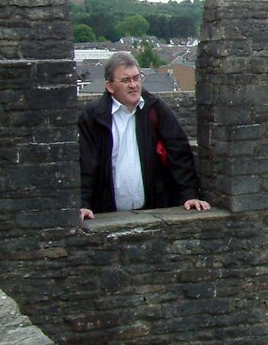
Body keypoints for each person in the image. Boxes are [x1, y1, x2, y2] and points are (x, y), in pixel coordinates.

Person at [79, 52, 210, 220]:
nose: (133, 85)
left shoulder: (155, 109)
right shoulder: (93, 117)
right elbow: (86, 163)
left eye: (136, 78)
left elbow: (179, 153)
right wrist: (83, 204)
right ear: (110, 86)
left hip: (154, 209)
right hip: (106, 212)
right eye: (126, 80)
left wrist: (189, 194)